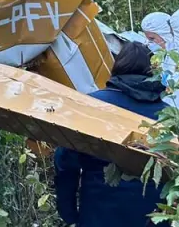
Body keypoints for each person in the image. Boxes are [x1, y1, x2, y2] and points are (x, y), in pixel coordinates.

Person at [54, 41, 166, 227]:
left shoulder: (90, 106)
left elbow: (65, 161)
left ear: (118, 67)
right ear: (151, 71)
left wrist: (69, 214)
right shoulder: (168, 116)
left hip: (99, 212)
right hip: (153, 215)